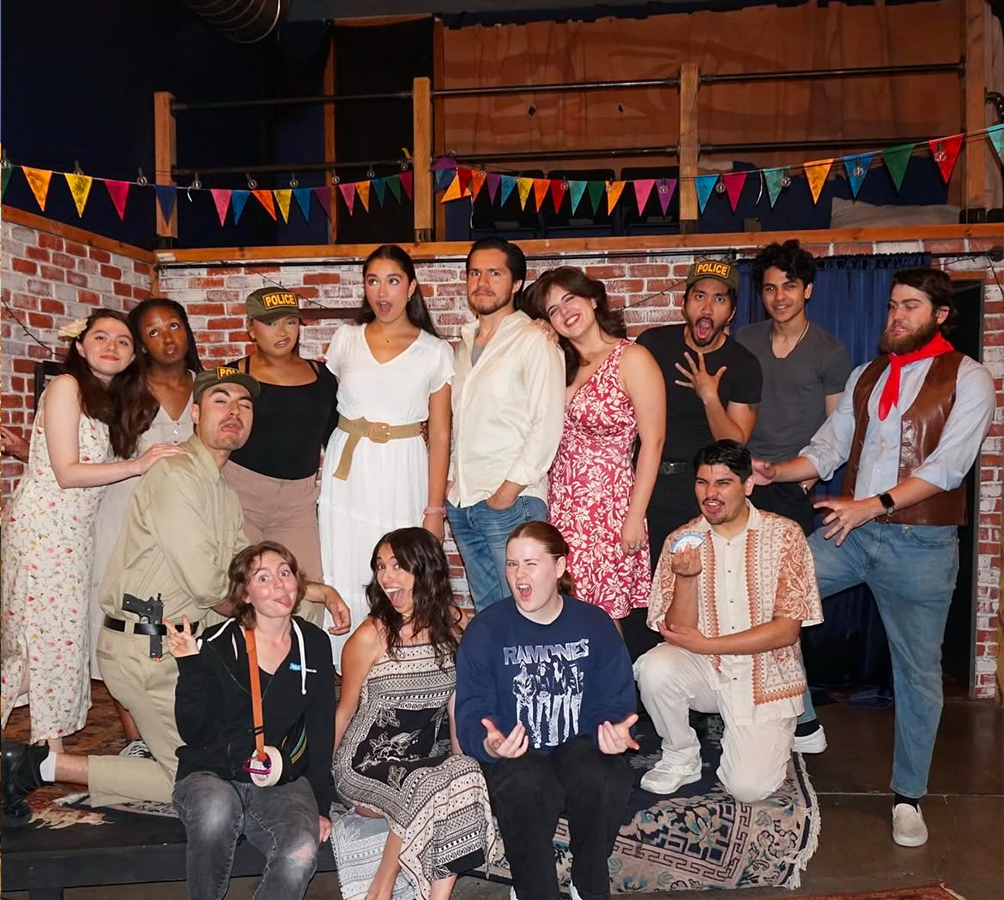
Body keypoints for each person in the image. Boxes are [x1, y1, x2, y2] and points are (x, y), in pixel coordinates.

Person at [0, 367, 351, 827]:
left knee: (232, 751)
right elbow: (213, 587)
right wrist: (284, 605)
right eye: (220, 401)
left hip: (181, 649)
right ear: (196, 414)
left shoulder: (221, 489)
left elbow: (245, 572)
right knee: (199, 778)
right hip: (146, 650)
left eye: (244, 405)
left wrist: (311, 591)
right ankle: (36, 766)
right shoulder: (177, 475)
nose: (234, 412)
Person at [753, 267, 996, 847]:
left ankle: (908, 797)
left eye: (910, 306)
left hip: (921, 545)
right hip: (853, 535)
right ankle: (804, 717)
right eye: (892, 305)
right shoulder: (866, 375)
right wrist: (775, 472)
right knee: (766, 596)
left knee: (917, 674)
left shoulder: (969, 377)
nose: (896, 316)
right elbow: (829, 447)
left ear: (940, 315)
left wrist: (871, 505)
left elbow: (948, 468)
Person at [0, 310, 183, 752]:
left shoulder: (110, 399)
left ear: (133, 356)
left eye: (122, 341)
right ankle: (50, 752)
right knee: (39, 645)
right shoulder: (67, 385)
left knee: (59, 642)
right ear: (80, 347)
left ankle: (51, 754)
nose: (111, 346)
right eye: (100, 337)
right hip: (43, 531)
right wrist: (139, 464)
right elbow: (66, 473)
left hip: (74, 536)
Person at [455, 521, 638, 900]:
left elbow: (615, 702)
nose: (519, 575)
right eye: (511, 564)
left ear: (559, 567)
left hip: (580, 748)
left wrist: (614, 731)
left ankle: (588, 883)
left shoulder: (594, 624)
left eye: (531, 563)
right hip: (517, 755)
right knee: (525, 784)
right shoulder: (487, 630)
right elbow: (472, 712)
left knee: (605, 775)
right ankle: (533, 892)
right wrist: (489, 742)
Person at [635, 440, 823, 802]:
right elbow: (676, 633)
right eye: (702, 483)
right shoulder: (681, 540)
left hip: (765, 676)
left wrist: (709, 644)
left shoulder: (785, 535)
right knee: (654, 668)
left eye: (723, 483)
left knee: (747, 789)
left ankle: (765, 734)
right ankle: (680, 755)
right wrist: (686, 579)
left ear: (747, 485)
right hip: (706, 670)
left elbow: (787, 631)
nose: (710, 494)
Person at [333, 527, 495, 900]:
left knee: (463, 772)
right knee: (429, 784)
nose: (386, 576)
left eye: (397, 565)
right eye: (380, 566)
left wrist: (458, 768)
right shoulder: (370, 636)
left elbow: (456, 705)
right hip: (363, 765)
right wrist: (317, 791)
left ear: (425, 569)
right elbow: (344, 711)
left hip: (424, 762)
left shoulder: (455, 626)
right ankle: (381, 889)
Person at [168, 541, 335, 900]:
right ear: (245, 594)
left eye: (285, 573)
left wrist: (322, 807)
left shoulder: (314, 644)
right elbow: (193, 733)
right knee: (216, 811)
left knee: (301, 850)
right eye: (263, 578)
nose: (279, 584)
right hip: (212, 772)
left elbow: (321, 729)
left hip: (279, 778)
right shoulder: (217, 643)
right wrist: (191, 667)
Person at [319, 246, 454, 667]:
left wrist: (434, 509)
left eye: (393, 281)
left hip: (404, 466)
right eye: (373, 281)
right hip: (349, 469)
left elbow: (441, 434)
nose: (382, 292)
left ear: (411, 287)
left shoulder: (434, 350)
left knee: (401, 566)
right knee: (346, 560)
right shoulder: (345, 340)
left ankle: (399, 666)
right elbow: (320, 408)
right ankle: (347, 667)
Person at [88, 298, 203, 747]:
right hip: (126, 517)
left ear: (187, 330)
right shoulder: (122, 389)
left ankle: (177, 732)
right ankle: (136, 739)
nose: (167, 339)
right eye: (153, 332)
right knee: (122, 623)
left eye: (174, 326)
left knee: (180, 620)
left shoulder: (208, 385)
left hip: (187, 523)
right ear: (140, 343)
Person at [632, 259, 762, 655]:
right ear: (684, 302)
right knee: (641, 592)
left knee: (696, 589)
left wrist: (709, 396)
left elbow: (736, 443)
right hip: (646, 484)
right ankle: (641, 682)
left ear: (732, 311)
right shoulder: (653, 344)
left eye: (719, 299)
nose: (708, 308)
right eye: (699, 296)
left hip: (700, 494)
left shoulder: (744, 364)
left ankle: (692, 680)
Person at [528, 266, 665, 642]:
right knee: (566, 611)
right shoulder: (557, 362)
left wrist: (634, 517)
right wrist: (537, 334)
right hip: (561, 505)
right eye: (553, 310)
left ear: (592, 299)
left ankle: (615, 682)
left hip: (607, 507)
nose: (564, 312)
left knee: (601, 617)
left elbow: (653, 443)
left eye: (569, 299)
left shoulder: (632, 358)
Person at [447, 238, 565, 613]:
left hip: (511, 501)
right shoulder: (463, 344)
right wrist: (451, 484)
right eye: (474, 273)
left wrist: (507, 492)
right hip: (464, 502)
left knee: (527, 613)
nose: (482, 282)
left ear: (516, 283)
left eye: (494, 273)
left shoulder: (534, 340)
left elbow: (547, 423)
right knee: (490, 615)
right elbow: (461, 422)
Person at [226, 287, 339, 628]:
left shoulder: (322, 377)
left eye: (290, 321)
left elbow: (336, 436)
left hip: (296, 502)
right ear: (251, 328)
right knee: (238, 594)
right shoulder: (233, 376)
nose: (282, 331)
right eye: (270, 322)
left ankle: (301, 660)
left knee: (306, 596)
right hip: (239, 496)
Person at [734, 240, 851, 536]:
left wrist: (803, 485)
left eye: (789, 286)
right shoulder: (745, 339)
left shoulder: (831, 351)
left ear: (807, 290)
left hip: (791, 484)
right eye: (770, 288)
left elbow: (836, 430)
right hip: (743, 478)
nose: (779, 297)